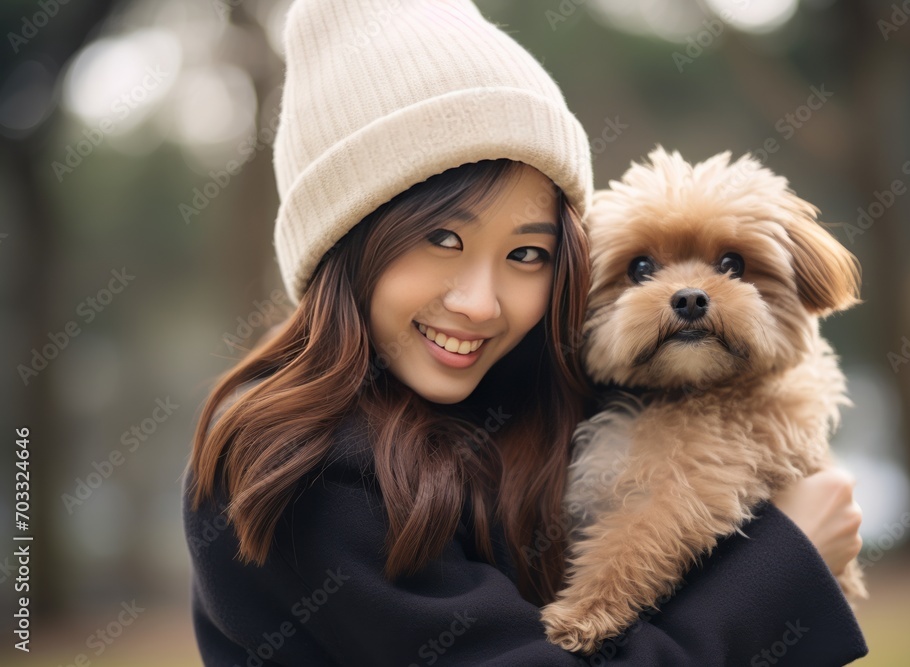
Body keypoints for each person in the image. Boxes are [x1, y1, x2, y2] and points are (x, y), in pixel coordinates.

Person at [183, 0, 868, 665]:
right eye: (441, 238)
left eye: (527, 254)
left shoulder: (538, 392)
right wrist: (788, 560)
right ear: (345, 247)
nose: (481, 304)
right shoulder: (300, 468)